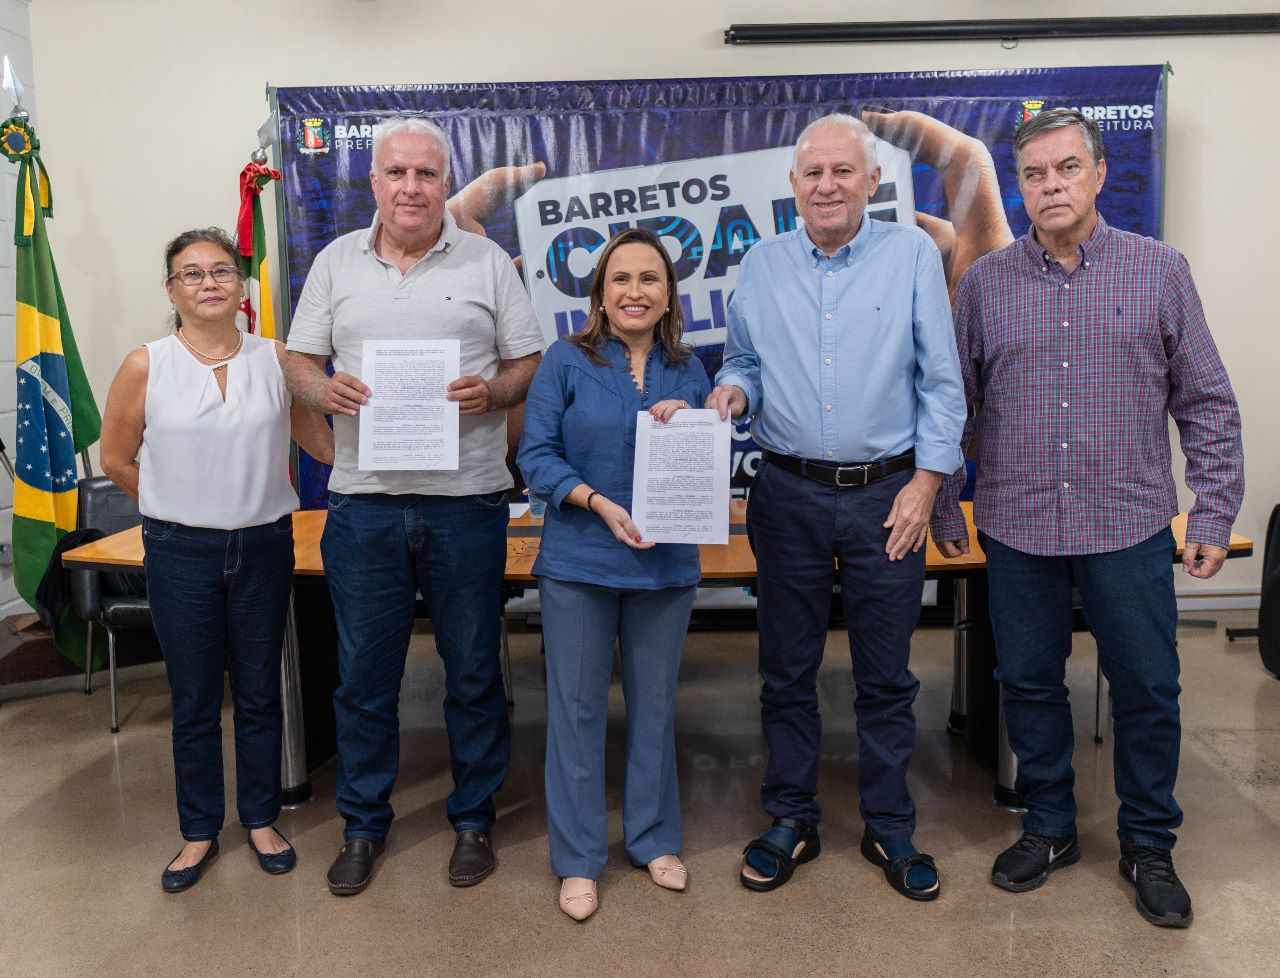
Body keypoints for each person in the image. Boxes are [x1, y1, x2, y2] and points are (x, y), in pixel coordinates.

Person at [932, 108, 1244, 929]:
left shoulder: (1160, 271)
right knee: (1028, 685)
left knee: (1147, 687)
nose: (1051, 186)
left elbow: (1207, 401)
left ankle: (1148, 844)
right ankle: (1049, 827)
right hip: (1019, 524)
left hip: (1130, 525)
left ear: (1100, 175)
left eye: (1066, 169)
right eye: (1034, 174)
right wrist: (942, 500)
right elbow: (955, 407)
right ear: (1021, 188)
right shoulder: (987, 284)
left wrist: (1212, 510)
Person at [706, 114, 966, 900]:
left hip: (889, 494)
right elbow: (744, 358)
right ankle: (791, 817)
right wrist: (733, 390)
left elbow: (942, 383)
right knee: (785, 670)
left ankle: (890, 827)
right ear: (793, 185)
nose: (828, 185)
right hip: (784, 493)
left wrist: (927, 482)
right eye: (814, 172)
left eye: (843, 172)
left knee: (886, 677)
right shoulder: (760, 262)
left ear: (871, 181)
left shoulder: (913, 255)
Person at [283, 117, 543, 896]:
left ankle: (472, 819)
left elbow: (529, 359)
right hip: (364, 506)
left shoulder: (488, 261)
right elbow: (297, 359)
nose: (411, 187)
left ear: (444, 180)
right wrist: (321, 389)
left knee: (470, 670)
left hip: (466, 501)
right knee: (364, 676)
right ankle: (364, 824)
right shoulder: (336, 263)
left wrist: (493, 390)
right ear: (374, 183)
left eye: (427, 174)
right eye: (396, 173)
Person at [99, 227, 334, 892]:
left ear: (242, 284)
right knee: (197, 698)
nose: (209, 283)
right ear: (172, 290)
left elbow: (320, 446)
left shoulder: (278, 358)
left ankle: (260, 818)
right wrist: (173, 503)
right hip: (180, 552)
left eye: (222, 271)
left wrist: (401, 438)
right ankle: (199, 831)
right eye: (192, 274)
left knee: (260, 693)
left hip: (263, 544)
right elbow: (115, 458)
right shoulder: (146, 364)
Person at [517, 228, 711, 921]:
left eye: (650, 279)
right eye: (621, 279)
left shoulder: (690, 369)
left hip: (665, 563)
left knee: (655, 707)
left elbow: (705, 458)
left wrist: (690, 423)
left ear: (668, 296)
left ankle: (654, 840)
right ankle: (577, 859)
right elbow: (536, 457)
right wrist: (597, 503)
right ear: (599, 292)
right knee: (576, 710)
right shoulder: (565, 361)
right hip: (579, 562)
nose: (635, 291)